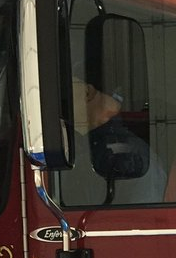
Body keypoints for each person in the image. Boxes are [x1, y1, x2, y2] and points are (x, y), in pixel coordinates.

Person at [63, 75, 167, 206]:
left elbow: (141, 219)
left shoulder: (133, 158)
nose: (63, 109)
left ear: (87, 92)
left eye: (67, 97)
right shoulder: (87, 149)